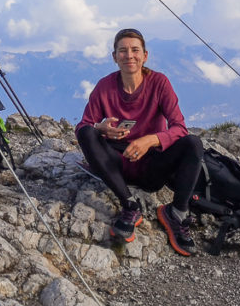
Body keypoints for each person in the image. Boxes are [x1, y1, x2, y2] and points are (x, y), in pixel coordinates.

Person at [75, 28, 204, 256]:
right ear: (114, 57)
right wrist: (100, 127)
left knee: (193, 143)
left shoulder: (159, 83)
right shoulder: (105, 86)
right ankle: (130, 205)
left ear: (145, 55)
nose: (129, 56)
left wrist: (151, 140)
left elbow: (179, 128)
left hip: (152, 167)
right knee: (87, 133)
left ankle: (177, 212)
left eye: (135, 50)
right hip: (118, 165)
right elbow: (84, 125)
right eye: (123, 51)